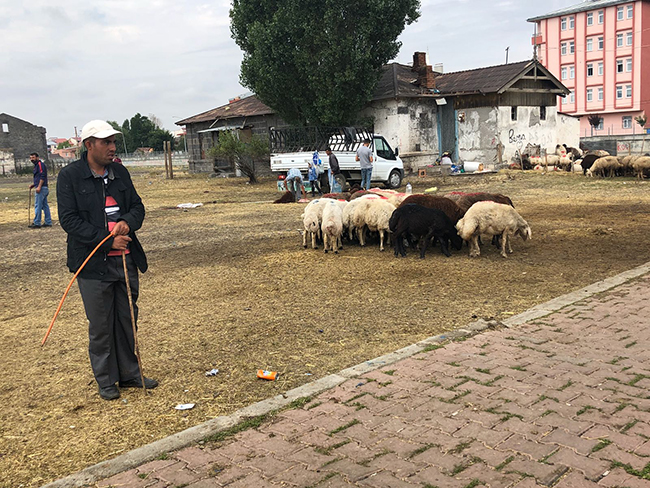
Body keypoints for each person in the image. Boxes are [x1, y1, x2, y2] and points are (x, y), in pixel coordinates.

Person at [56, 120, 157, 401]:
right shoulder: (70, 176)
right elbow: (69, 220)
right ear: (89, 145)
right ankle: (106, 379)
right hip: (92, 265)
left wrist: (126, 222)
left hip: (125, 261)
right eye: (106, 142)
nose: (112, 147)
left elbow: (137, 207)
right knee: (101, 325)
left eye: (113, 142)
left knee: (127, 319)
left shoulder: (120, 172)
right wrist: (107, 240)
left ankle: (130, 373)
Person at [28, 153, 52, 228]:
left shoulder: (40, 165)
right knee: (45, 206)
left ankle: (37, 222)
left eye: (33, 157)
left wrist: (39, 187)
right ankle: (48, 222)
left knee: (38, 205)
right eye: (31, 158)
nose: (32, 159)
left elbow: (42, 176)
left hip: (41, 188)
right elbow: (38, 178)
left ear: (37, 158)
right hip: (42, 187)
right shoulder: (36, 166)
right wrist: (33, 185)